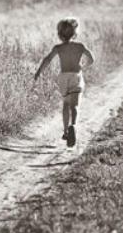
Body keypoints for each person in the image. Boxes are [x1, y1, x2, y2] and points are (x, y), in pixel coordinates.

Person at [34, 17, 95, 147]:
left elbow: (47, 59)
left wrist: (38, 72)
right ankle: (73, 125)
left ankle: (66, 131)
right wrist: (83, 66)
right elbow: (91, 58)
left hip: (63, 77)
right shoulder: (80, 46)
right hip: (76, 76)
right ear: (74, 33)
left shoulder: (58, 48)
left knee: (66, 104)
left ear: (60, 34)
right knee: (75, 105)